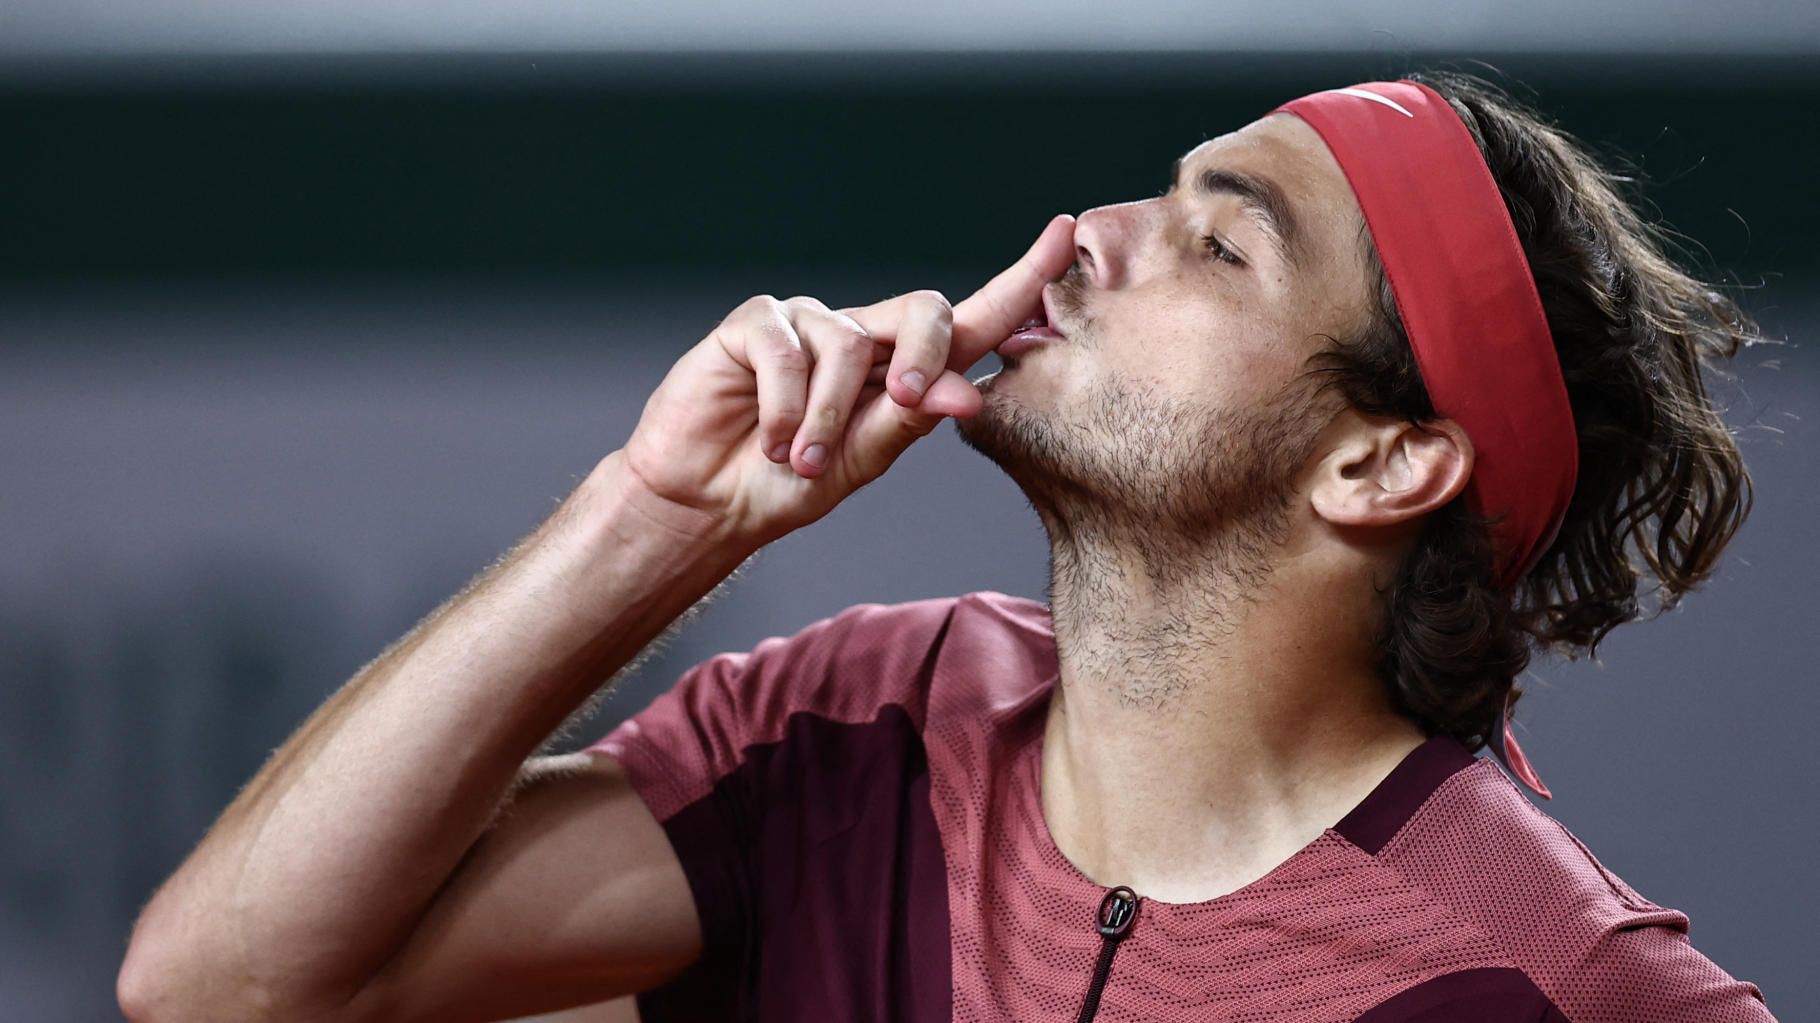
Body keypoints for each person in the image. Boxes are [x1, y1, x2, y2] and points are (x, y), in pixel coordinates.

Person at [117, 70, 1779, 1022]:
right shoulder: (858, 723)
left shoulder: (1560, 987)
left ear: (1382, 459)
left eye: (1216, 241)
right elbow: (222, 993)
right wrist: (651, 519)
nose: (1088, 235)